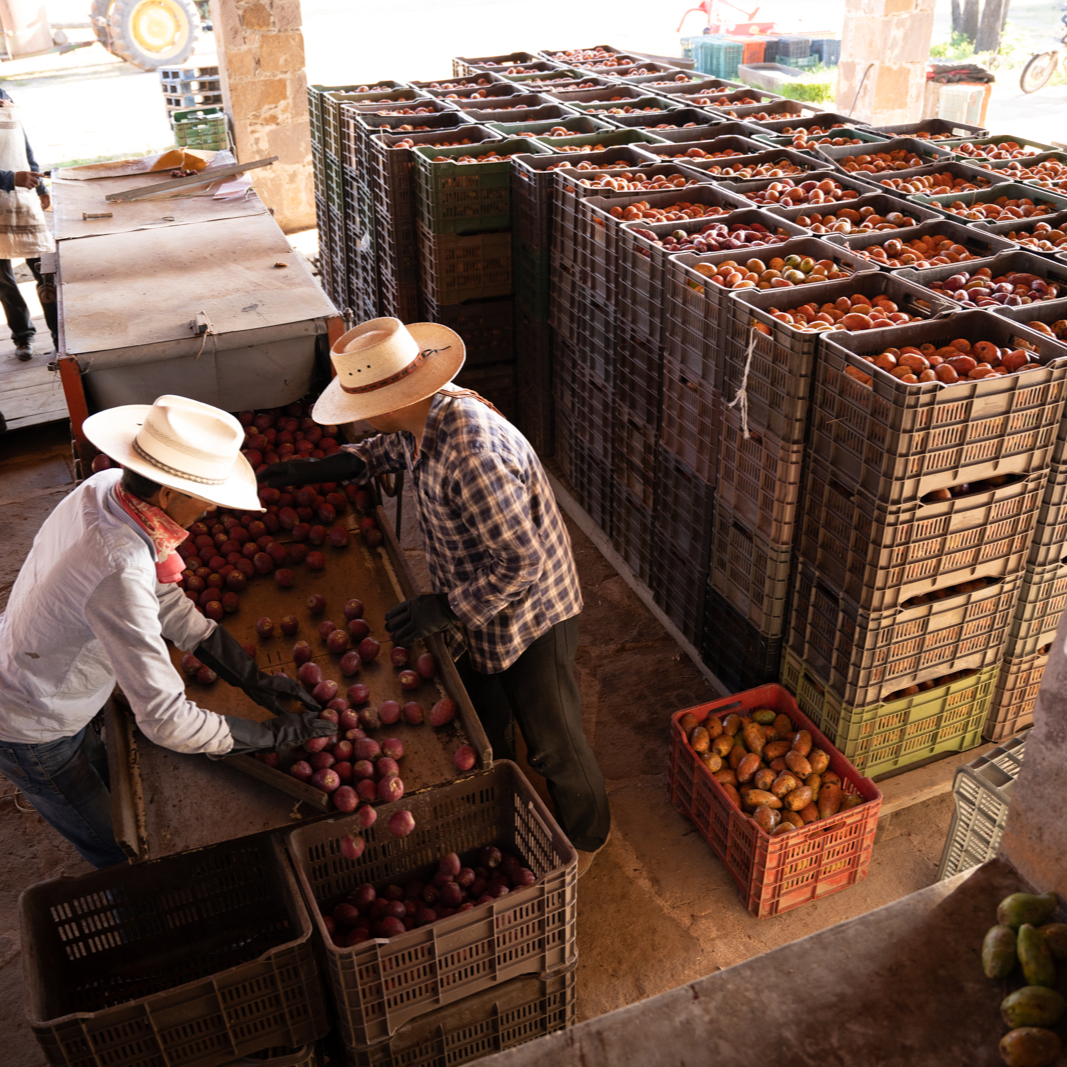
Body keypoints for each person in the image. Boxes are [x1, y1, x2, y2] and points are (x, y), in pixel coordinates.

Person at [259, 318, 612, 875]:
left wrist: (445, 609)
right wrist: (334, 467)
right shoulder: (425, 416)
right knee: (487, 714)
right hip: (483, 603)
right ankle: (505, 801)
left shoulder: (472, 454)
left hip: (531, 614)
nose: (358, 419)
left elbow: (523, 564)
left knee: (554, 741)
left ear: (390, 399)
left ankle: (587, 836)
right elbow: (396, 447)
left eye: (358, 408)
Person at [0, 395, 332, 868]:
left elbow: (160, 597)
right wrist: (265, 736)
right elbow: (166, 722)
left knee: (108, 779)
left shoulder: (107, 489)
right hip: (31, 722)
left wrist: (247, 676)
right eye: (206, 495)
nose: (213, 507)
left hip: (39, 675)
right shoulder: (118, 567)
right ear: (169, 495)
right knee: (119, 848)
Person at [0, 87, 57, 361]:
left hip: (21, 198)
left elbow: (22, 144)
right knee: (2, 279)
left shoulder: (1, 93)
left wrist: (40, 184)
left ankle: (61, 341)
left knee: (44, 271)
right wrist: (9, 179)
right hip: (11, 185)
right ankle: (23, 337)